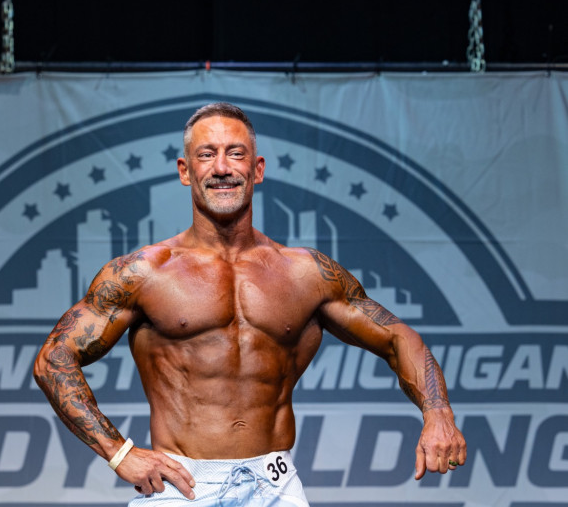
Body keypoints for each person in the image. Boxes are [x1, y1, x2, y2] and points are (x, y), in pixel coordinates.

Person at [33, 102, 467, 506]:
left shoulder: (306, 273)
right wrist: (118, 452)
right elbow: (54, 358)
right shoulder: (144, 273)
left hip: (274, 486)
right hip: (182, 486)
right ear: (185, 171)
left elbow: (396, 337)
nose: (222, 167)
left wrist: (438, 413)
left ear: (257, 169)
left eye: (235, 153)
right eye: (207, 155)